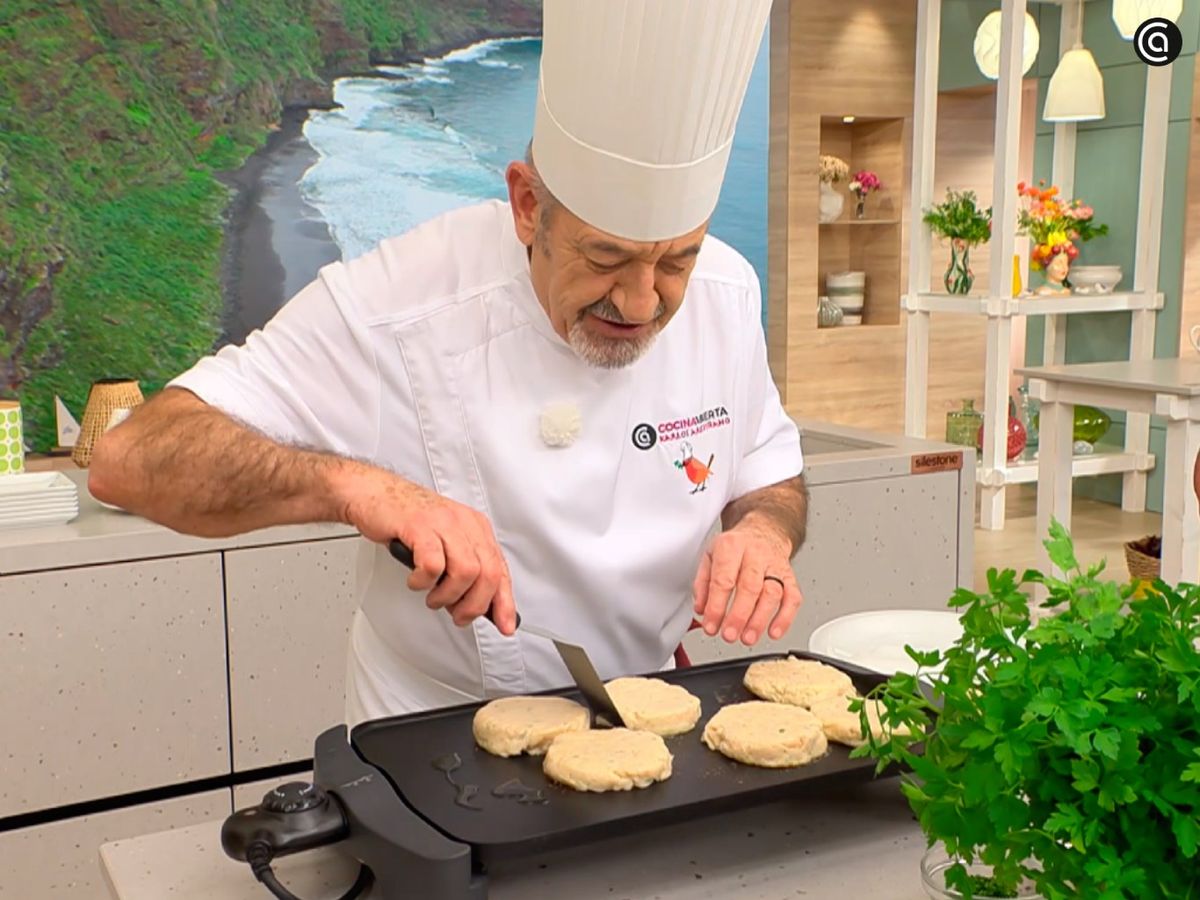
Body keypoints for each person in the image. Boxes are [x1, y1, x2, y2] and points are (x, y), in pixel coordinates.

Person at [88, 0, 806, 724]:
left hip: (651, 710)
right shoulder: (401, 300)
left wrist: (762, 532)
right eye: (606, 257)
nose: (642, 301)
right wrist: (360, 489)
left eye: (676, 259)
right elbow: (132, 459)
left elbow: (767, 473)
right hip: (438, 730)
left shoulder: (727, 292)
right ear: (527, 204)